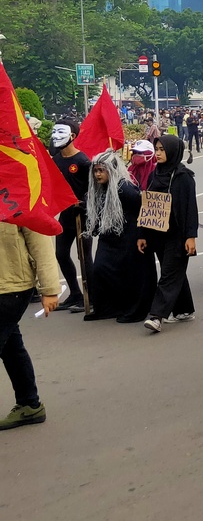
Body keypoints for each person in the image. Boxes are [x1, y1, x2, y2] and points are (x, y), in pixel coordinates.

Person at [84, 151, 156, 323]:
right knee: (100, 269)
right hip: (109, 237)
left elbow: (143, 206)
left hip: (129, 236)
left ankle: (136, 310)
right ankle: (109, 308)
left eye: (101, 170)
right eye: (96, 171)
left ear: (111, 170)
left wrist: (142, 234)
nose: (98, 174)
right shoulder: (100, 188)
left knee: (131, 275)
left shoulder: (124, 188)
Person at [137, 135, 199, 332]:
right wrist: (142, 234)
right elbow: (147, 205)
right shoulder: (155, 174)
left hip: (177, 235)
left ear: (173, 151)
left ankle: (156, 316)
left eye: (163, 150)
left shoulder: (184, 177)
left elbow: (191, 209)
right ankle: (185, 310)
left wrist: (191, 236)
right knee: (172, 271)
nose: (158, 153)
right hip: (157, 233)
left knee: (168, 274)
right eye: (157, 149)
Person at [0, 223, 59, 429]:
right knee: (11, 346)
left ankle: (29, 404)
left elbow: (41, 243)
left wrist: (50, 289)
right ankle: (29, 404)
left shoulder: (21, 194)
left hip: (12, 286)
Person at [49, 120, 93, 312]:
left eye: (60, 132)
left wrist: (83, 203)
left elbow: (94, 189)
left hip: (82, 217)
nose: (55, 136)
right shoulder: (56, 159)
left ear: (72, 136)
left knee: (84, 257)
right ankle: (75, 293)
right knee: (61, 254)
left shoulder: (83, 162)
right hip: (66, 216)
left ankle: (91, 295)